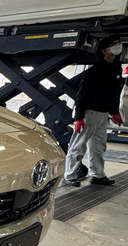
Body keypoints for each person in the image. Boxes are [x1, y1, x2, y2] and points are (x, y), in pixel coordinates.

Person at [62, 35, 123, 187]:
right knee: (79, 144)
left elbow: (114, 94)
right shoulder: (94, 71)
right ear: (104, 50)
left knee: (99, 146)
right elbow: (81, 96)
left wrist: (114, 112)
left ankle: (97, 175)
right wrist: (79, 118)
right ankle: (69, 175)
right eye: (114, 44)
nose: (118, 46)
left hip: (103, 114)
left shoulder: (116, 68)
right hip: (88, 113)